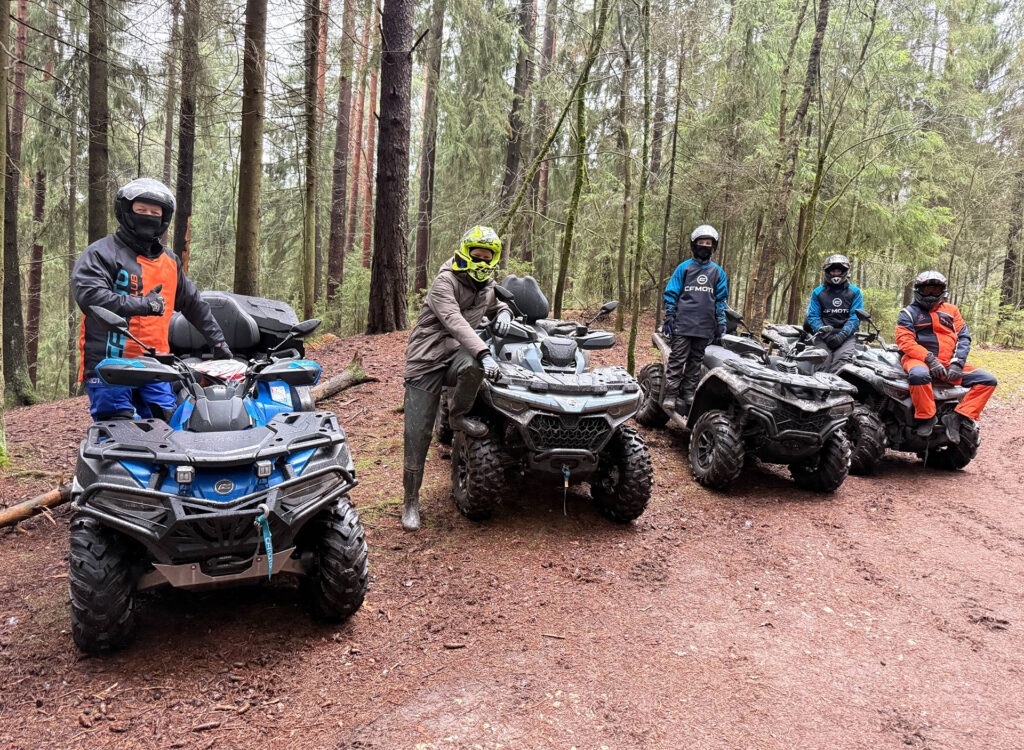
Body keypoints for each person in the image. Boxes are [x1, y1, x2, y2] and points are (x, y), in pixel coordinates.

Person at [73, 178, 231, 421]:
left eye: (155, 212)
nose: (148, 216)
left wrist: (218, 342)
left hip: (156, 366)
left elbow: (194, 304)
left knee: (168, 427)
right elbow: (90, 297)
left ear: (164, 218)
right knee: (118, 430)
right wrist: (143, 305)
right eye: (141, 210)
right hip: (110, 366)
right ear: (126, 212)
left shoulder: (170, 262)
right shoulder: (101, 252)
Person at [402, 226, 512, 532]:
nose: (480, 262)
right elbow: (456, 322)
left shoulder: (487, 286)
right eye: (475, 256)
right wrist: (484, 352)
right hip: (425, 361)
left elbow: (495, 304)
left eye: (485, 257)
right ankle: (410, 501)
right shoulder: (444, 282)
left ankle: (457, 416)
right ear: (465, 253)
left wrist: (504, 314)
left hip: (455, 357)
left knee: (474, 369)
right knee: (417, 434)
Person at [895, 270, 997, 436]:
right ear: (918, 290)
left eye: (935, 290)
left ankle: (958, 417)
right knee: (919, 375)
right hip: (917, 360)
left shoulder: (952, 311)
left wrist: (957, 363)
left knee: (988, 380)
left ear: (942, 291)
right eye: (927, 290)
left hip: (948, 362)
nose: (931, 294)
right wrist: (930, 360)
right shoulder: (908, 313)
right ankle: (926, 417)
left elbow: (963, 337)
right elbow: (905, 341)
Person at [661, 224, 728, 413]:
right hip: (683, 322)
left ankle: (688, 393)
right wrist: (670, 315)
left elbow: (720, 299)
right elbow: (672, 292)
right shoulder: (684, 268)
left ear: (713, 247)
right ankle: (671, 395)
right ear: (694, 244)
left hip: (705, 324)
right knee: (677, 359)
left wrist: (720, 321)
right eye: (701, 242)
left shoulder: (718, 273)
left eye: (708, 243)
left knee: (696, 361)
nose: (705, 246)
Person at [804, 254, 864, 373]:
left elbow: (855, 317)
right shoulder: (818, 292)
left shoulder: (855, 292)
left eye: (839, 270)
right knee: (822, 360)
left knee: (842, 363)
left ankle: (836, 391)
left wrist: (842, 335)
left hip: (847, 336)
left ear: (845, 271)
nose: (836, 273)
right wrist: (825, 335)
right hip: (823, 335)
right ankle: (819, 391)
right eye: (833, 271)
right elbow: (813, 316)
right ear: (827, 272)